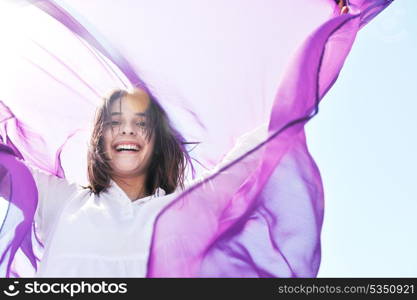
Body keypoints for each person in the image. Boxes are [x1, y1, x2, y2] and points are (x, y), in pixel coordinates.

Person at [20, 87, 267, 277]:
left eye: (141, 123)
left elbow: (255, 151)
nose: (127, 130)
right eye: (115, 122)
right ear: (99, 141)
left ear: (158, 144)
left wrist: (302, 91)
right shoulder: (60, 201)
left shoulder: (187, 204)